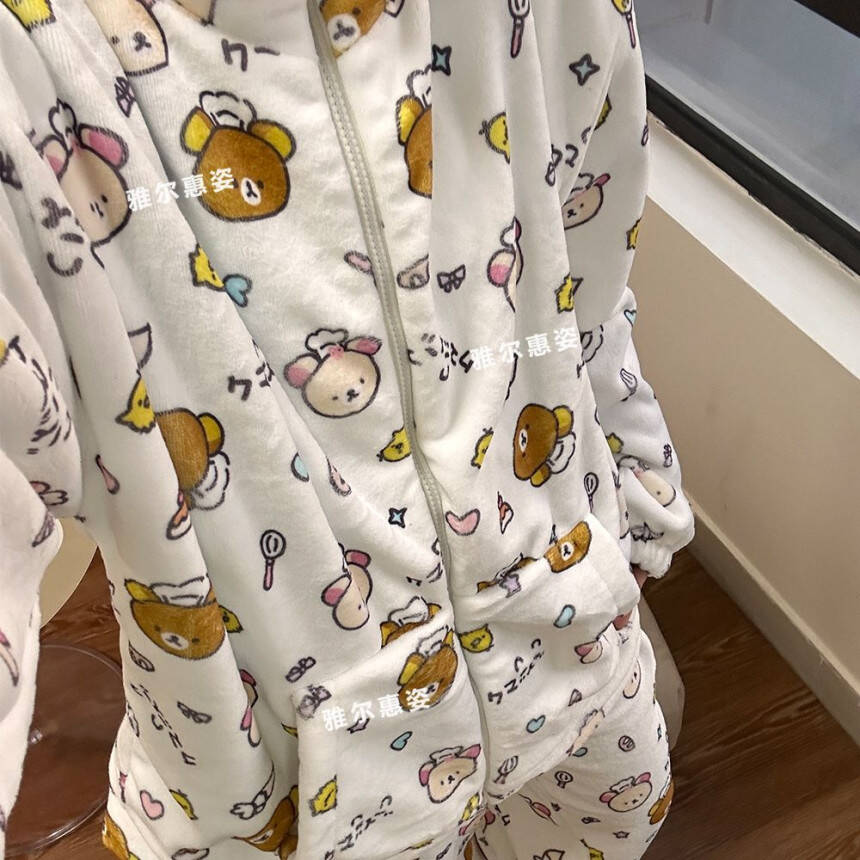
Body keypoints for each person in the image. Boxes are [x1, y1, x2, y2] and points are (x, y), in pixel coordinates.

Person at [0, 1, 695, 858]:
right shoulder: (25, 65)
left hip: (580, 659)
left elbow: (585, 272)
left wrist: (636, 489)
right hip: (287, 788)